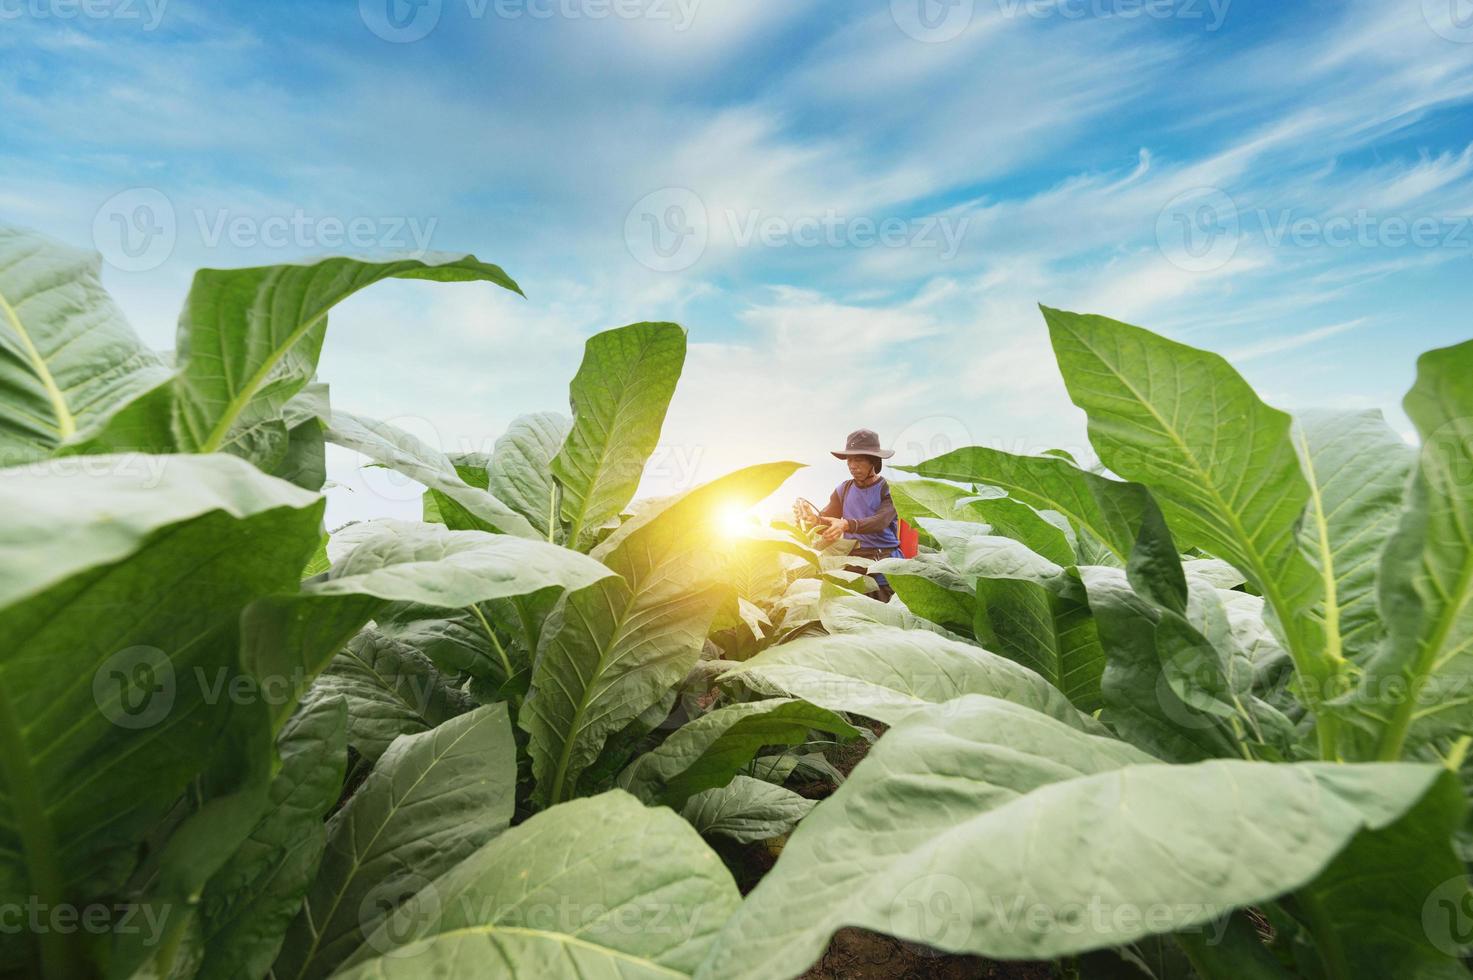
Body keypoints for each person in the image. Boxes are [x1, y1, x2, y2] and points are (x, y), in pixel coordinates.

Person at [796, 428, 901, 602]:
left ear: (874, 461)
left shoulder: (889, 490)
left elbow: (880, 521)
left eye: (858, 459)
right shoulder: (844, 490)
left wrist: (846, 525)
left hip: (883, 564)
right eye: (849, 460)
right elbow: (828, 522)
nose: (852, 465)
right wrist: (813, 519)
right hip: (852, 564)